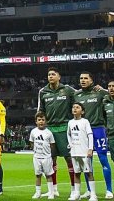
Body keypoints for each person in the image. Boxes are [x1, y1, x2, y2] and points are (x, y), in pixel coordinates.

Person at [41, 68, 79, 199]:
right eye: (49, 75)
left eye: (53, 74)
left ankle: (74, 189)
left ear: (59, 77)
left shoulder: (68, 90)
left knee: (70, 159)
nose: (50, 76)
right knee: (51, 160)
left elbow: (80, 96)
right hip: (50, 129)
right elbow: (41, 111)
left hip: (65, 128)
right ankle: (53, 189)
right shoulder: (43, 91)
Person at [74, 73, 113, 198]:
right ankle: (90, 190)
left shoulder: (99, 92)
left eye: (86, 78)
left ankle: (109, 190)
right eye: (81, 78)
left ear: (92, 80)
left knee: (103, 159)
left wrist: (104, 89)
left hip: (98, 129)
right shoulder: (76, 94)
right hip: (82, 131)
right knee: (86, 161)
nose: (83, 80)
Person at [69, 102, 98, 201]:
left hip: (84, 151)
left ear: (82, 111)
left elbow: (90, 135)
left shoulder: (85, 122)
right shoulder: (70, 122)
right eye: (73, 107)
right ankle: (77, 194)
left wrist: (90, 148)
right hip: (74, 152)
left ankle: (93, 194)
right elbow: (68, 134)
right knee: (76, 173)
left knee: (89, 172)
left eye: (77, 107)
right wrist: (71, 144)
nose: (75, 109)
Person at [30, 113, 59, 200]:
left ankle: (51, 193)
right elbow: (31, 142)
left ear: (46, 121)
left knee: (48, 175)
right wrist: (35, 150)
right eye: (39, 120)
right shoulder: (33, 131)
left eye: (43, 120)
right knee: (38, 175)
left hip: (46, 157)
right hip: (36, 157)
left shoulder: (49, 133)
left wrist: (51, 156)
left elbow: (52, 145)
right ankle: (38, 192)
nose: (41, 122)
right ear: (36, 121)